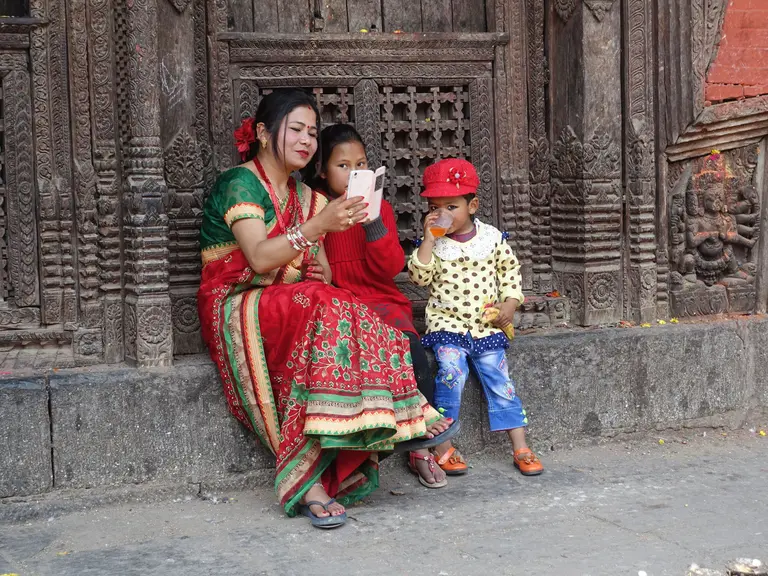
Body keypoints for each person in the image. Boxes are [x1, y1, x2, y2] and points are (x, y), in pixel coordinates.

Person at [197, 89, 457, 530]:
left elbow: (321, 271)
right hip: (238, 301)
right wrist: (317, 229)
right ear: (263, 133)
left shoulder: (308, 197)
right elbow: (258, 258)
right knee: (328, 302)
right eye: (296, 130)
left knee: (348, 304)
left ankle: (387, 418)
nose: (306, 140)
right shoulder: (240, 183)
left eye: (312, 133)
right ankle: (319, 474)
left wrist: (319, 267)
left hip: (290, 301)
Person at [306, 123, 446, 488]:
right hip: (343, 303)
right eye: (343, 166)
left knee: (412, 352)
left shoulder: (378, 208)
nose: (354, 174)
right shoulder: (316, 208)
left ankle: (421, 448)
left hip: (382, 301)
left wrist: (372, 225)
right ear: (322, 170)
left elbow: (391, 268)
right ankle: (365, 450)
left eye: (361, 165)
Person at [407, 158, 544, 477]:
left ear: (472, 206)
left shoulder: (491, 238)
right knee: (450, 374)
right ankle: (443, 444)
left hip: (486, 328)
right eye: (435, 208)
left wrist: (510, 303)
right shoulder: (435, 245)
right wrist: (428, 240)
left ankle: (521, 445)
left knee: (500, 380)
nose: (442, 214)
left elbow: (509, 271)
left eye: (451, 206)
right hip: (447, 328)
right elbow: (419, 277)